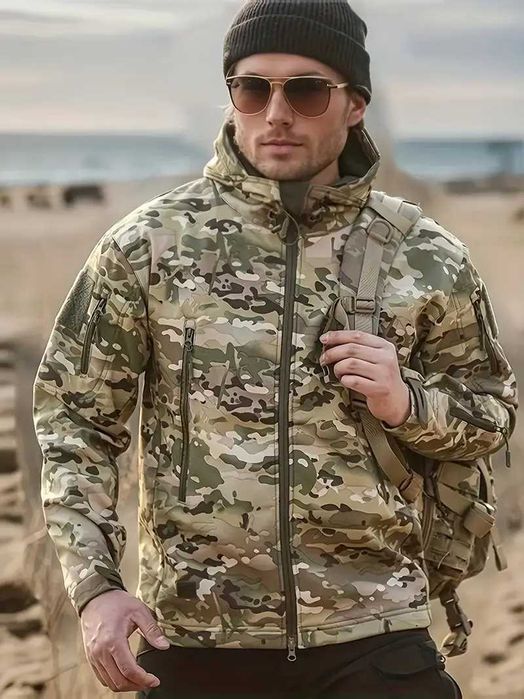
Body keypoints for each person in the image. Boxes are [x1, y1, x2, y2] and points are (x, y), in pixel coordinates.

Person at [32, 1, 518, 697]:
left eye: (307, 90)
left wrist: (405, 401)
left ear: (355, 104)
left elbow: (493, 415)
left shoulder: (427, 255)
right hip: (195, 636)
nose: (276, 113)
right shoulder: (147, 245)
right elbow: (73, 419)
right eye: (252, 88)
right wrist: (96, 587)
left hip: (374, 629)